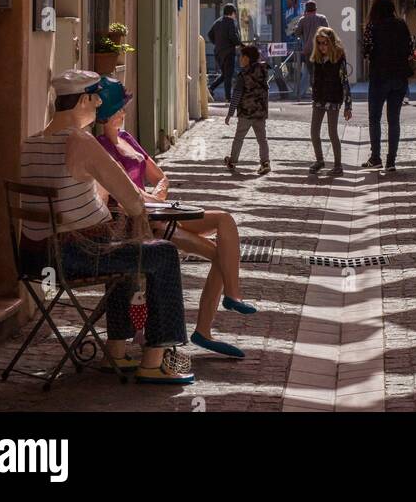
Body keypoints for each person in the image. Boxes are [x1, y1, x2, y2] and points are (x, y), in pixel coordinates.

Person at [18, 70, 193, 384]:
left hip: (33, 257)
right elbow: (131, 200)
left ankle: (117, 349)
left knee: (124, 252)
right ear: (84, 100)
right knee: (162, 254)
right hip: (71, 256)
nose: (98, 109)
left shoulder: (30, 143)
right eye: (96, 102)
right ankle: (154, 361)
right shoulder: (80, 140)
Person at [94, 78, 255, 359]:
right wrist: (149, 199)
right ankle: (203, 331)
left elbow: (160, 176)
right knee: (220, 256)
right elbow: (121, 194)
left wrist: (158, 192)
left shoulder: (128, 139)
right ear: (105, 114)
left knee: (225, 221)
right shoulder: (100, 148)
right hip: (141, 222)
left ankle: (232, 295)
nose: (123, 113)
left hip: (161, 209)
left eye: (123, 109)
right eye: (119, 109)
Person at [362, 0, 414, 171]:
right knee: (394, 120)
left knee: (374, 118)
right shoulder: (401, 25)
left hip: (379, 77)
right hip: (399, 77)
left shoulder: (372, 26)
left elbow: (366, 51)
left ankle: (375, 157)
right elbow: (410, 48)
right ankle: (391, 161)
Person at [308, 28, 352, 175]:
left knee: (333, 133)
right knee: (314, 131)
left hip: (333, 98)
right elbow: (314, 78)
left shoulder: (338, 58)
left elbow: (345, 82)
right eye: (319, 43)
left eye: (325, 43)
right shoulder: (317, 58)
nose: (322, 47)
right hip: (319, 98)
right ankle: (320, 160)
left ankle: (338, 166)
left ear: (331, 42)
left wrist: (348, 106)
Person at [224, 45, 270, 174]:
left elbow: (236, 96)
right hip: (260, 112)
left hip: (246, 112)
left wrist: (230, 113)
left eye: (241, 56)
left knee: (239, 138)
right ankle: (265, 162)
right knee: (262, 139)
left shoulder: (242, 75)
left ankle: (232, 161)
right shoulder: (263, 71)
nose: (239, 59)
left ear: (246, 58)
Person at [292, 0, 329, 99]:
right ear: (315, 9)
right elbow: (328, 33)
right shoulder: (322, 18)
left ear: (306, 10)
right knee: (322, 71)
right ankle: (323, 93)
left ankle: (316, 94)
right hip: (322, 50)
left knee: (312, 72)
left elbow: (297, 33)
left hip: (308, 50)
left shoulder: (303, 20)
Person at [209, 4, 241, 103]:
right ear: (232, 13)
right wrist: (238, 43)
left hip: (218, 52)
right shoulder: (231, 22)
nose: (235, 15)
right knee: (228, 76)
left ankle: (211, 88)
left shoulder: (217, 22)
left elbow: (210, 34)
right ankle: (228, 98)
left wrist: (217, 43)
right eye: (235, 13)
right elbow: (233, 36)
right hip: (228, 53)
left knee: (225, 75)